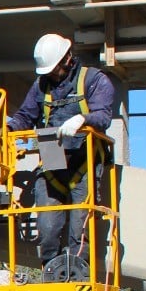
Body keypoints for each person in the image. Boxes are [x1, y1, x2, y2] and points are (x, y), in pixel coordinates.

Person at [8, 34, 117, 276]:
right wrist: (9, 129)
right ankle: (51, 273)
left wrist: (83, 119)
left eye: (54, 69)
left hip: (84, 161)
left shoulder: (93, 80)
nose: (50, 74)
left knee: (80, 230)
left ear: (67, 58)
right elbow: (26, 116)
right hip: (52, 158)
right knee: (47, 227)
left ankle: (77, 277)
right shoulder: (41, 85)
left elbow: (104, 117)